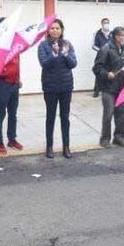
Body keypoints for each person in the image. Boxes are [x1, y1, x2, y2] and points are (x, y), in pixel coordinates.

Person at [38, 19, 77, 159]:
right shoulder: (43, 45)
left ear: (62, 30)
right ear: (48, 31)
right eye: (52, 28)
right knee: (50, 116)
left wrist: (66, 55)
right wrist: (54, 55)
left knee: (65, 117)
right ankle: (49, 147)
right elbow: (44, 64)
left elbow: (73, 64)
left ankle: (66, 146)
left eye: (57, 28)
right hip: (50, 85)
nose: (55, 30)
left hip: (66, 85)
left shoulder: (67, 44)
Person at [94, 26, 124, 148]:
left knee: (122, 114)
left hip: (121, 87)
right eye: (122, 36)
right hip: (108, 87)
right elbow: (97, 68)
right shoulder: (106, 49)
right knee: (108, 114)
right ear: (116, 36)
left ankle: (119, 138)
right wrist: (106, 73)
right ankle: (105, 139)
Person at [0, 16, 23, 154]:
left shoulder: (14, 42)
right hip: (2, 83)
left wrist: (19, 78)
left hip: (14, 83)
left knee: (13, 113)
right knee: (0, 113)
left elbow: (17, 61)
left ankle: (12, 139)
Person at [90, 17, 111, 98]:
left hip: (110, 57)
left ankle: (108, 90)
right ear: (102, 24)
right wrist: (101, 50)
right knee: (99, 72)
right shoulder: (97, 33)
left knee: (109, 72)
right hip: (100, 56)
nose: (106, 24)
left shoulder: (112, 33)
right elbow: (93, 45)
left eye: (107, 22)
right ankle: (96, 91)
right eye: (105, 22)